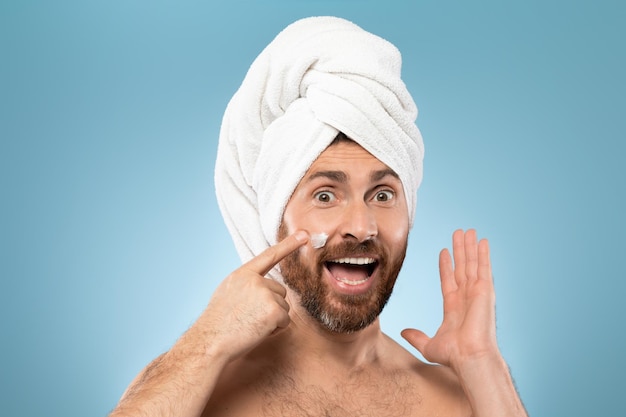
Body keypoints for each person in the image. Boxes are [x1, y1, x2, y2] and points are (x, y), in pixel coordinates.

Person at [109, 16, 527, 417]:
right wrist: (206, 342)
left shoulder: (458, 399)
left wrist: (482, 362)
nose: (361, 227)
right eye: (326, 195)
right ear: (275, 222)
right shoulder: (194, 388)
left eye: (382, 195)